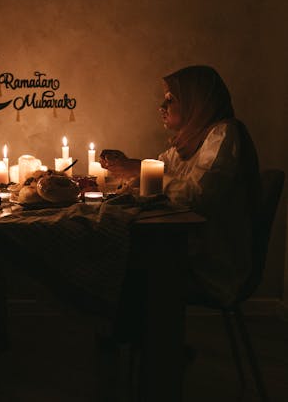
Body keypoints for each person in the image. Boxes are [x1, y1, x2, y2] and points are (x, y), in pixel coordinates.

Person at [100, 65, 261, 307]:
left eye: (170, 100)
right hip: (184, 249)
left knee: (120, 266)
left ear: (196, 102)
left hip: (212, 260)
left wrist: (140, 170)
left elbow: (197, 196)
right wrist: (126, 169)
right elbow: (159, 168)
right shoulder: (188, 141)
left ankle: (150, 341)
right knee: (116, 256)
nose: (161, 108)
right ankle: (139, 340)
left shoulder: (224, 134)